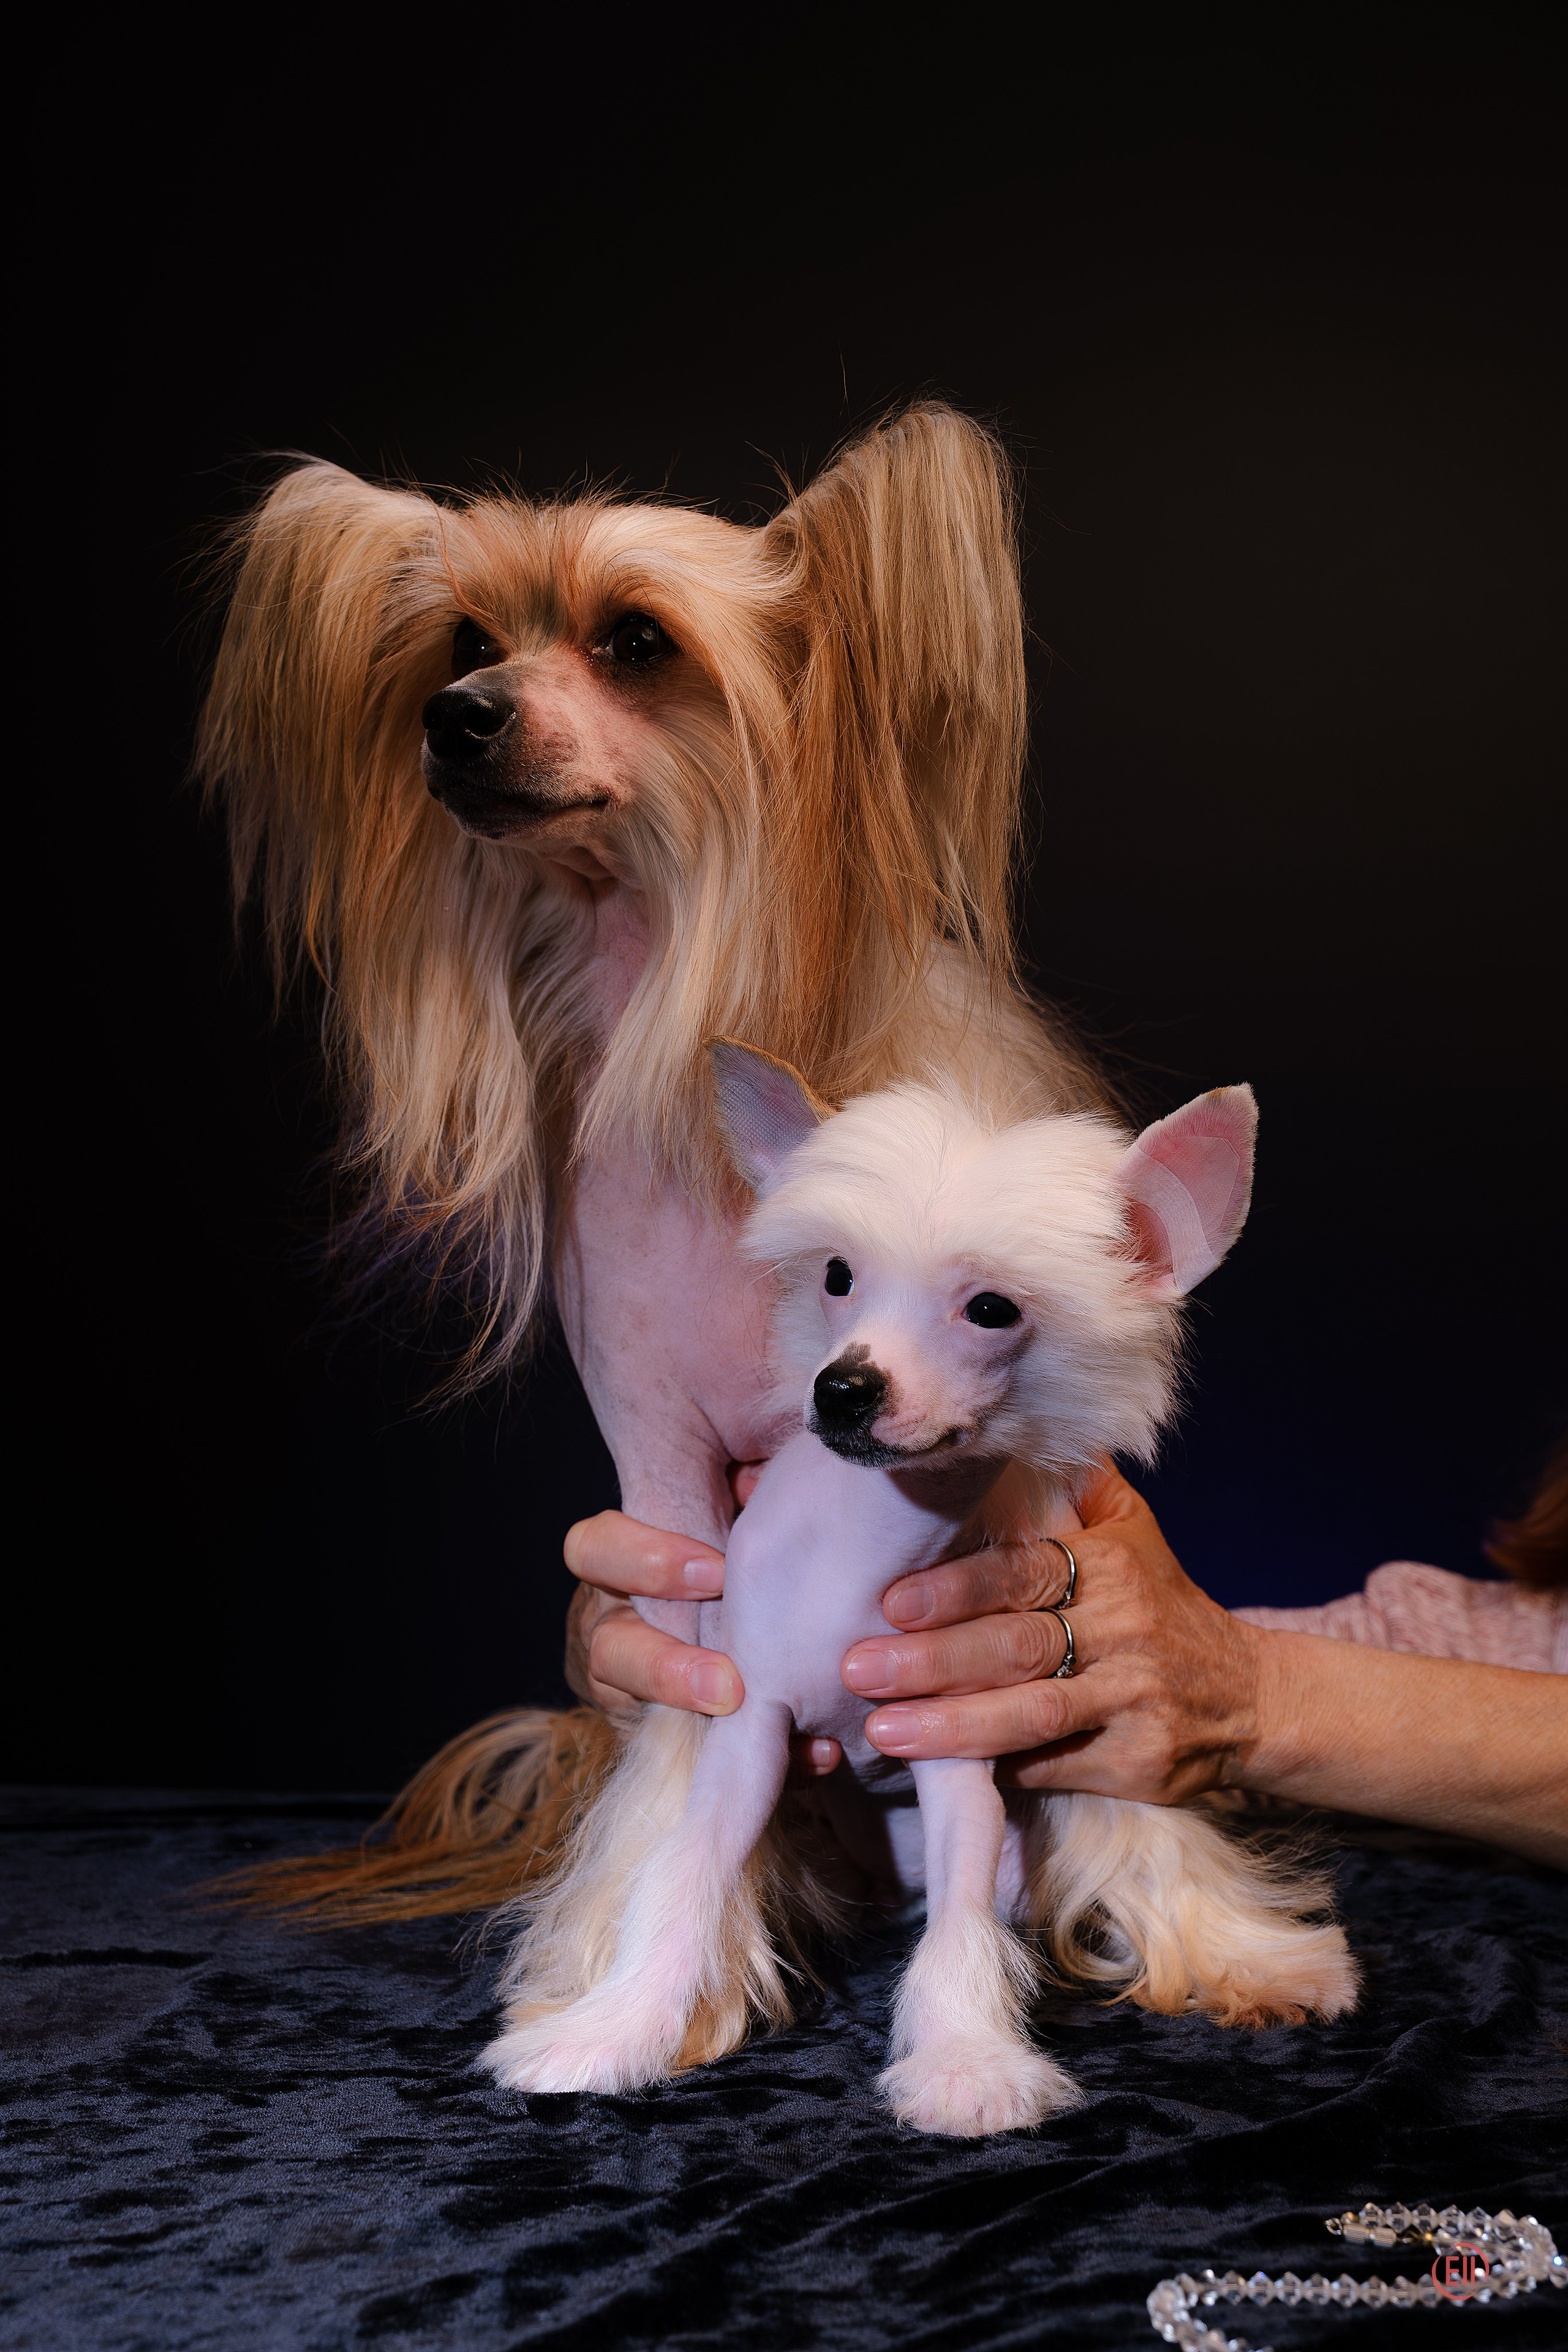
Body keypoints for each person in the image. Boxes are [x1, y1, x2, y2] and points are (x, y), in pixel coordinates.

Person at [564, 1446, 1568, 1870]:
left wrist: (1248, 1693)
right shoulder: (1508, 1630)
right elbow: (1404, 1668)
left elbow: (1248, 1674)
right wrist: (697, 1638)